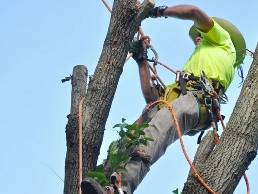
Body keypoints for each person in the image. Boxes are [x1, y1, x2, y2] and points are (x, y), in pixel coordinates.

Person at [81, 4, 246, 194]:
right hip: (185, 97)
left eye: (201, 34)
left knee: (154, 133)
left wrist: (157, 11)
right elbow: (152, 99)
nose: (197, 38)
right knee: (131, 136)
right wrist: (142, 60)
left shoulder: (224, 42)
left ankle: (120, 188)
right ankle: (99, 181)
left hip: (198, 100)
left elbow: (194, 12)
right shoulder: (187, 77)